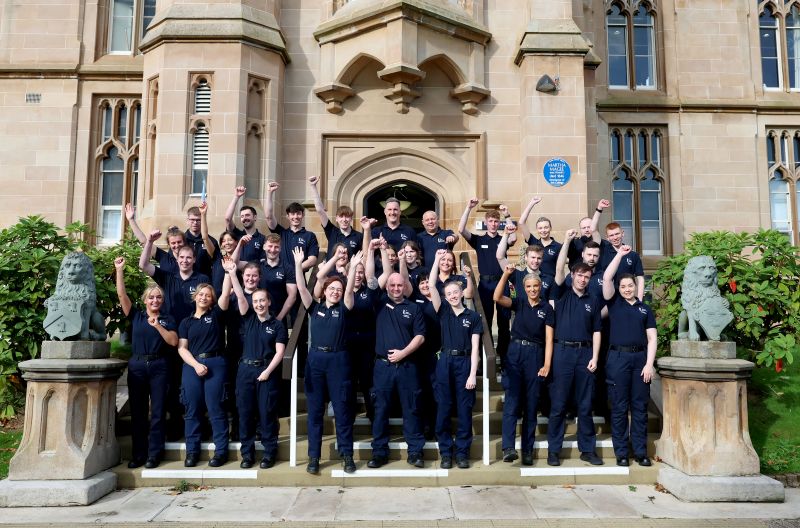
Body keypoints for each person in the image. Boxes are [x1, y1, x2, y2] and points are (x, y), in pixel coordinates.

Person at [139, 225, 211, 441]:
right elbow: (143, 265)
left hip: (194, 340)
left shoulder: (201, 279)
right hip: (170, 339)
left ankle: (199, 425)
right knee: (171, 383)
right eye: (182, 257)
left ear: (194, 259)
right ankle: (174, 427)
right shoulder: (168, 277)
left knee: (195, 384)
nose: (185, 260)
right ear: (176, 258)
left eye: (189, 257)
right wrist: (150, 242)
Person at [293, 247, 359, 475]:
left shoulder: (345, 307)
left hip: (339, 361)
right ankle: (314, 457)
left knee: (342, 410)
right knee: (314, 413)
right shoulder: (315, 307)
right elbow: (301, 287)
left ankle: (346, 455)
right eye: (332, 288)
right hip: (316, 361)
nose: (335, 292)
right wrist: (298, 264)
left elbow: (350, 289)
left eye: (338, 289)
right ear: (324, 291)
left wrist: (351, 269)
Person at [114, 257, 178, 469]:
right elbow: (122, 295)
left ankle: (154, 454)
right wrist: (119, 270)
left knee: (158, 412)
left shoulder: (168, 319)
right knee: (139, 412)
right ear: (145, 300)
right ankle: (138, 454)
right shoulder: (137, 316)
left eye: (158, 298)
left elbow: (173, 341)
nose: (155, 301)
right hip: (138, 366)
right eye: (151, 298)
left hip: (160, 366)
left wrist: (158, 326)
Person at [493, 263, 554, 466]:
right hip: (515, 353)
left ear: (540, 287)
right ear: (524, 288)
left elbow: (548, 338)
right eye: (528, 287)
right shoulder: (518, 303)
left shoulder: (546, 308)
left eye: (535, 286)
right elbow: (496, 298)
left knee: (530, 404)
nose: (532, 290)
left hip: (535, 354)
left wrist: (546, 364)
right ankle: (508, 448)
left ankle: (527, 450)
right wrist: (506, 274)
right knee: (512, 401)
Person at [367, 265, 426, 469]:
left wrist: (403, 353)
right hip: (382, 367)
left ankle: (415, 452)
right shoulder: (379, 302)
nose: (395, 288)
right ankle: (379, 453)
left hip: (407, 366)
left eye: (399, 284)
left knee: (412, 409)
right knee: (381, 410)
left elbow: (420, 336)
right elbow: (372, 280)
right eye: (392, 285)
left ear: (405, 286)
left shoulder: (414, 308)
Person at [601, 245, 656, 467]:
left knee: (640, 408)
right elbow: (606, 278)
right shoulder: (613, 304)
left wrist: (649, 365)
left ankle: (640, 452)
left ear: (635, 286)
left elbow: (652, 338)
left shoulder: (645, 309)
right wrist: (620, 255)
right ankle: (622, 453)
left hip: (640, 362)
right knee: (620, 408)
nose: (626, 289)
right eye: (622, 286)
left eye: (629, 285)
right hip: (618, 360)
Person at [427, 249, 482, 469]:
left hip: (465, 364)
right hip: (445, 362)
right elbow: (431, 285)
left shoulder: (473, 317)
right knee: (443, 408)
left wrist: (472, 374)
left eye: (455, 292)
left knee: (465, 410)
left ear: (461, 293)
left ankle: (462, 453)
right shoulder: (443, 311)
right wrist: (435, 260)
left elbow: (476, 348)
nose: (452, 295)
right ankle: (446, 453)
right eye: (448, 293)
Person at [177, 267, 237, 467]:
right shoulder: (186, 322)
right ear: (195, 297)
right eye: (201, 294)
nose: (204, 298)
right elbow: (182, 348)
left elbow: (225, 295)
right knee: (192, 409)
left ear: (212, 300)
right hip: (192, 365)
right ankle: (192, 452)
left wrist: (228, 272)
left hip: (216, 364)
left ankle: (221, 452)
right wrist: (195, 365)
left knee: (216, 408)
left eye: (208, 296)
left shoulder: (217, 315)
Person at [547, 259, 604, 467]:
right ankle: (554, 450)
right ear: (573, 275)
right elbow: (558, 267)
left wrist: (595, 357)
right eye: (579, 275)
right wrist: (569, 241)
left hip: (585, 353)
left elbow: (597, 330)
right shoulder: (560, 293)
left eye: (587, 276)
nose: (583, 279)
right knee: (559, 404)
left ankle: (587, 450)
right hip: (562, 352)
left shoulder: (594, 300)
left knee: (585, 404)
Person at [231, 283, 288, 469]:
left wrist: (267, 372)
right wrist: (232, 274)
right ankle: (247, 455)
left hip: (266, 372)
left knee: (267, 414)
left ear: (269, 302)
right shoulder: (248, 318)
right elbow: (240, 297)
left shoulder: (277, 325)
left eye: (262, 300)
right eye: (255, 301)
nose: (259, 304)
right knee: (245, 414)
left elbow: (280, 352)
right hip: (245, 372)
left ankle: (269, 453)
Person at [458, 198, 512, 367]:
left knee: (504, 324)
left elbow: (513, 236)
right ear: (486, 222)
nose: (494, 224)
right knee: (485, 323)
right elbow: (461, 229)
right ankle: (482, 361)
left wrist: (507, 215)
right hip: (485, 286)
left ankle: (504, 359)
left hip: (502, 284)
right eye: (491, 221)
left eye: (496, 221)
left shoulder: (503, 240)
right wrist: (468, 208)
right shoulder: (479, 240)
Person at [591, 199, 645, 299]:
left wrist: (639, 300)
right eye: (611, 235)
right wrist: (599, 208)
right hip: (603, 296)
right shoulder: (602, 248)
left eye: (617, 234)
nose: (615, 237)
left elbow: (640, 278)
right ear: (607, 237)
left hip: (624, 297)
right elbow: (593, 229)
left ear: (622, 233)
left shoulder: (633, 255)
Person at [264, 181, 319, 271]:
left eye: (298, 214)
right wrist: (269, 193)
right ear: (288, 216)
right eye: (292, 214)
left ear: (303, 215)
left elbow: (312, 260)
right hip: (280, 277)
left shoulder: (309, 236)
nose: (295, 217)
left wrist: (294, 271)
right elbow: (268, 217)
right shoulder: (281, 233)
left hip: (298, 277)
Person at [496, 223, 554, 303]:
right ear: (526, 258)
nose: (536, 261)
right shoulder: (517, 275)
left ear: (542, 259)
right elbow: (500, 257)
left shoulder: (549, 279)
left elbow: (551, 305)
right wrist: (506, 234)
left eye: (539, 258)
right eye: (533, 257)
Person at [309, 176, 363, 256]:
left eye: (347, 216)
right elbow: (320, 211)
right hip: (332, 269)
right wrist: (313, 187)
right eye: (341, 216)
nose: (344, 219)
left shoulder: (359, 236)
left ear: (351, 218)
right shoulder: (332, 231)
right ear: (336, 219)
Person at [517, 196, 563, 280]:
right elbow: (521, 222)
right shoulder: (533, 242)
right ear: (537, 229)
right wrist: (532, 203)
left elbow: (560, 269)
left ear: (550, 228)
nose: (543, 230)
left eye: (546, 227)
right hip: (533, 282)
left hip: (550, 284)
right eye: (540, 228)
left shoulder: (558, 246)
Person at [224, 186, 267, 263]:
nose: (244, 218)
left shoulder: (262, 239)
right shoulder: (236, 234)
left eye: (247, 215)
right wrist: (236, 197)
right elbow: (227, 219)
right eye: (242, 216)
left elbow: (262, 262)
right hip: (234, 273)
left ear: (255, 217)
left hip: (252, 274)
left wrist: (242, 265)